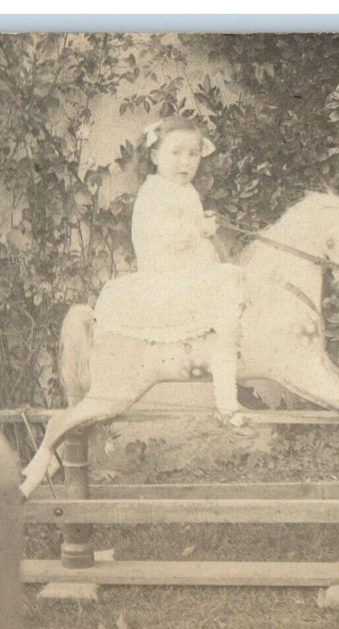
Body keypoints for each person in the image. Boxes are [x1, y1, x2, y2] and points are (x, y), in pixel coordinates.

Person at [95, 115, 244, 421]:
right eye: (175, 153)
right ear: (154, 155)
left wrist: (203, 226)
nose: (185, 162)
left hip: (187, 276)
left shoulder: (183, 191)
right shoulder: (155, 192)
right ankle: (227, 402)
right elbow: (164, 238)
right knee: (230, 300)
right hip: (166, 282)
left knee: (236, 283)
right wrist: (199, 229)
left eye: (193, 154)